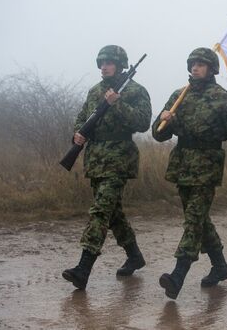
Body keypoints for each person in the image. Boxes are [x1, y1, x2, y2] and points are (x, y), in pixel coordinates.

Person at [152, 47, 227, 299]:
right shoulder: (179, 95)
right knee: (200, 220)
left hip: (207, 166)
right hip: (183, 165)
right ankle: (220, 266)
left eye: (201, 64)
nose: (195, 67)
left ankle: (178, 274)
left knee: (194, 220)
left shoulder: (223, 99)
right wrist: (164, 120)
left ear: (212, 69)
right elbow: (158, 134)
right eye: (193, 63)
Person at [62, 45, 152, 289]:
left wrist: (117, 103)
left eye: (109, 62)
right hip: (96, 159)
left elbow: (143, 123)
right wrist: (78, 135)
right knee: (113, 214)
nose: (104, 66)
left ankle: (83, 268)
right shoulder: (95, 91)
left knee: (101, 210)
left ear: (120, 64)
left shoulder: (134, 90)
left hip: (119, 159)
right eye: (101, 62)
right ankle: (134, 256)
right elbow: (83, 117)